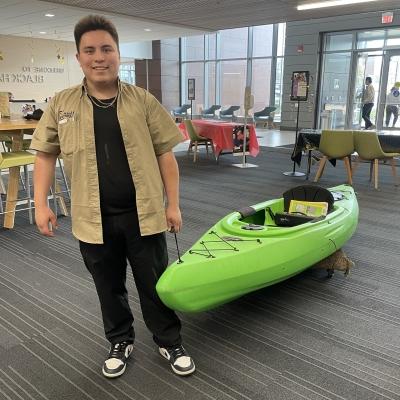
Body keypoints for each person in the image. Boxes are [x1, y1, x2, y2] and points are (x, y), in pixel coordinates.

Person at [30, 14, 195, 379]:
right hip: (93, 218)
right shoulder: (62, 103)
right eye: (89, 50)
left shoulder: (143, 101)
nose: (99, 57)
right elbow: (44, 154)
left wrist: (173, 203)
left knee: (154, 282)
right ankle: (120, 339)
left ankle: (168, 339)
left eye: (107, 48)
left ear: (119, 54)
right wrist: (41, 204)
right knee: (108, 286)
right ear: (78, 58)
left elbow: (166, 156)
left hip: (145, 213)